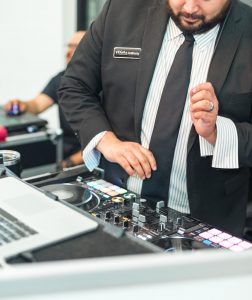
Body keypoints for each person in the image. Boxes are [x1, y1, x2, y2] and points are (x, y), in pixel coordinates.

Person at [58, 0, 252, 237]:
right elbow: (75, 85)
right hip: (116, 201)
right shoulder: (121, 11)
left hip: (207, 221)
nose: (190, 8)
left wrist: (217, 132)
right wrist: (107, 141)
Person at [5, 31, 86, 168]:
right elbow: (37, 104)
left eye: (75, 47)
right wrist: (22, 105)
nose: (68, 52)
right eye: (68, 46)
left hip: (90, 156)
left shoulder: (105, 86)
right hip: (64, 149)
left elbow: (107, 140)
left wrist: (72, 161)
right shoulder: (61, 79)